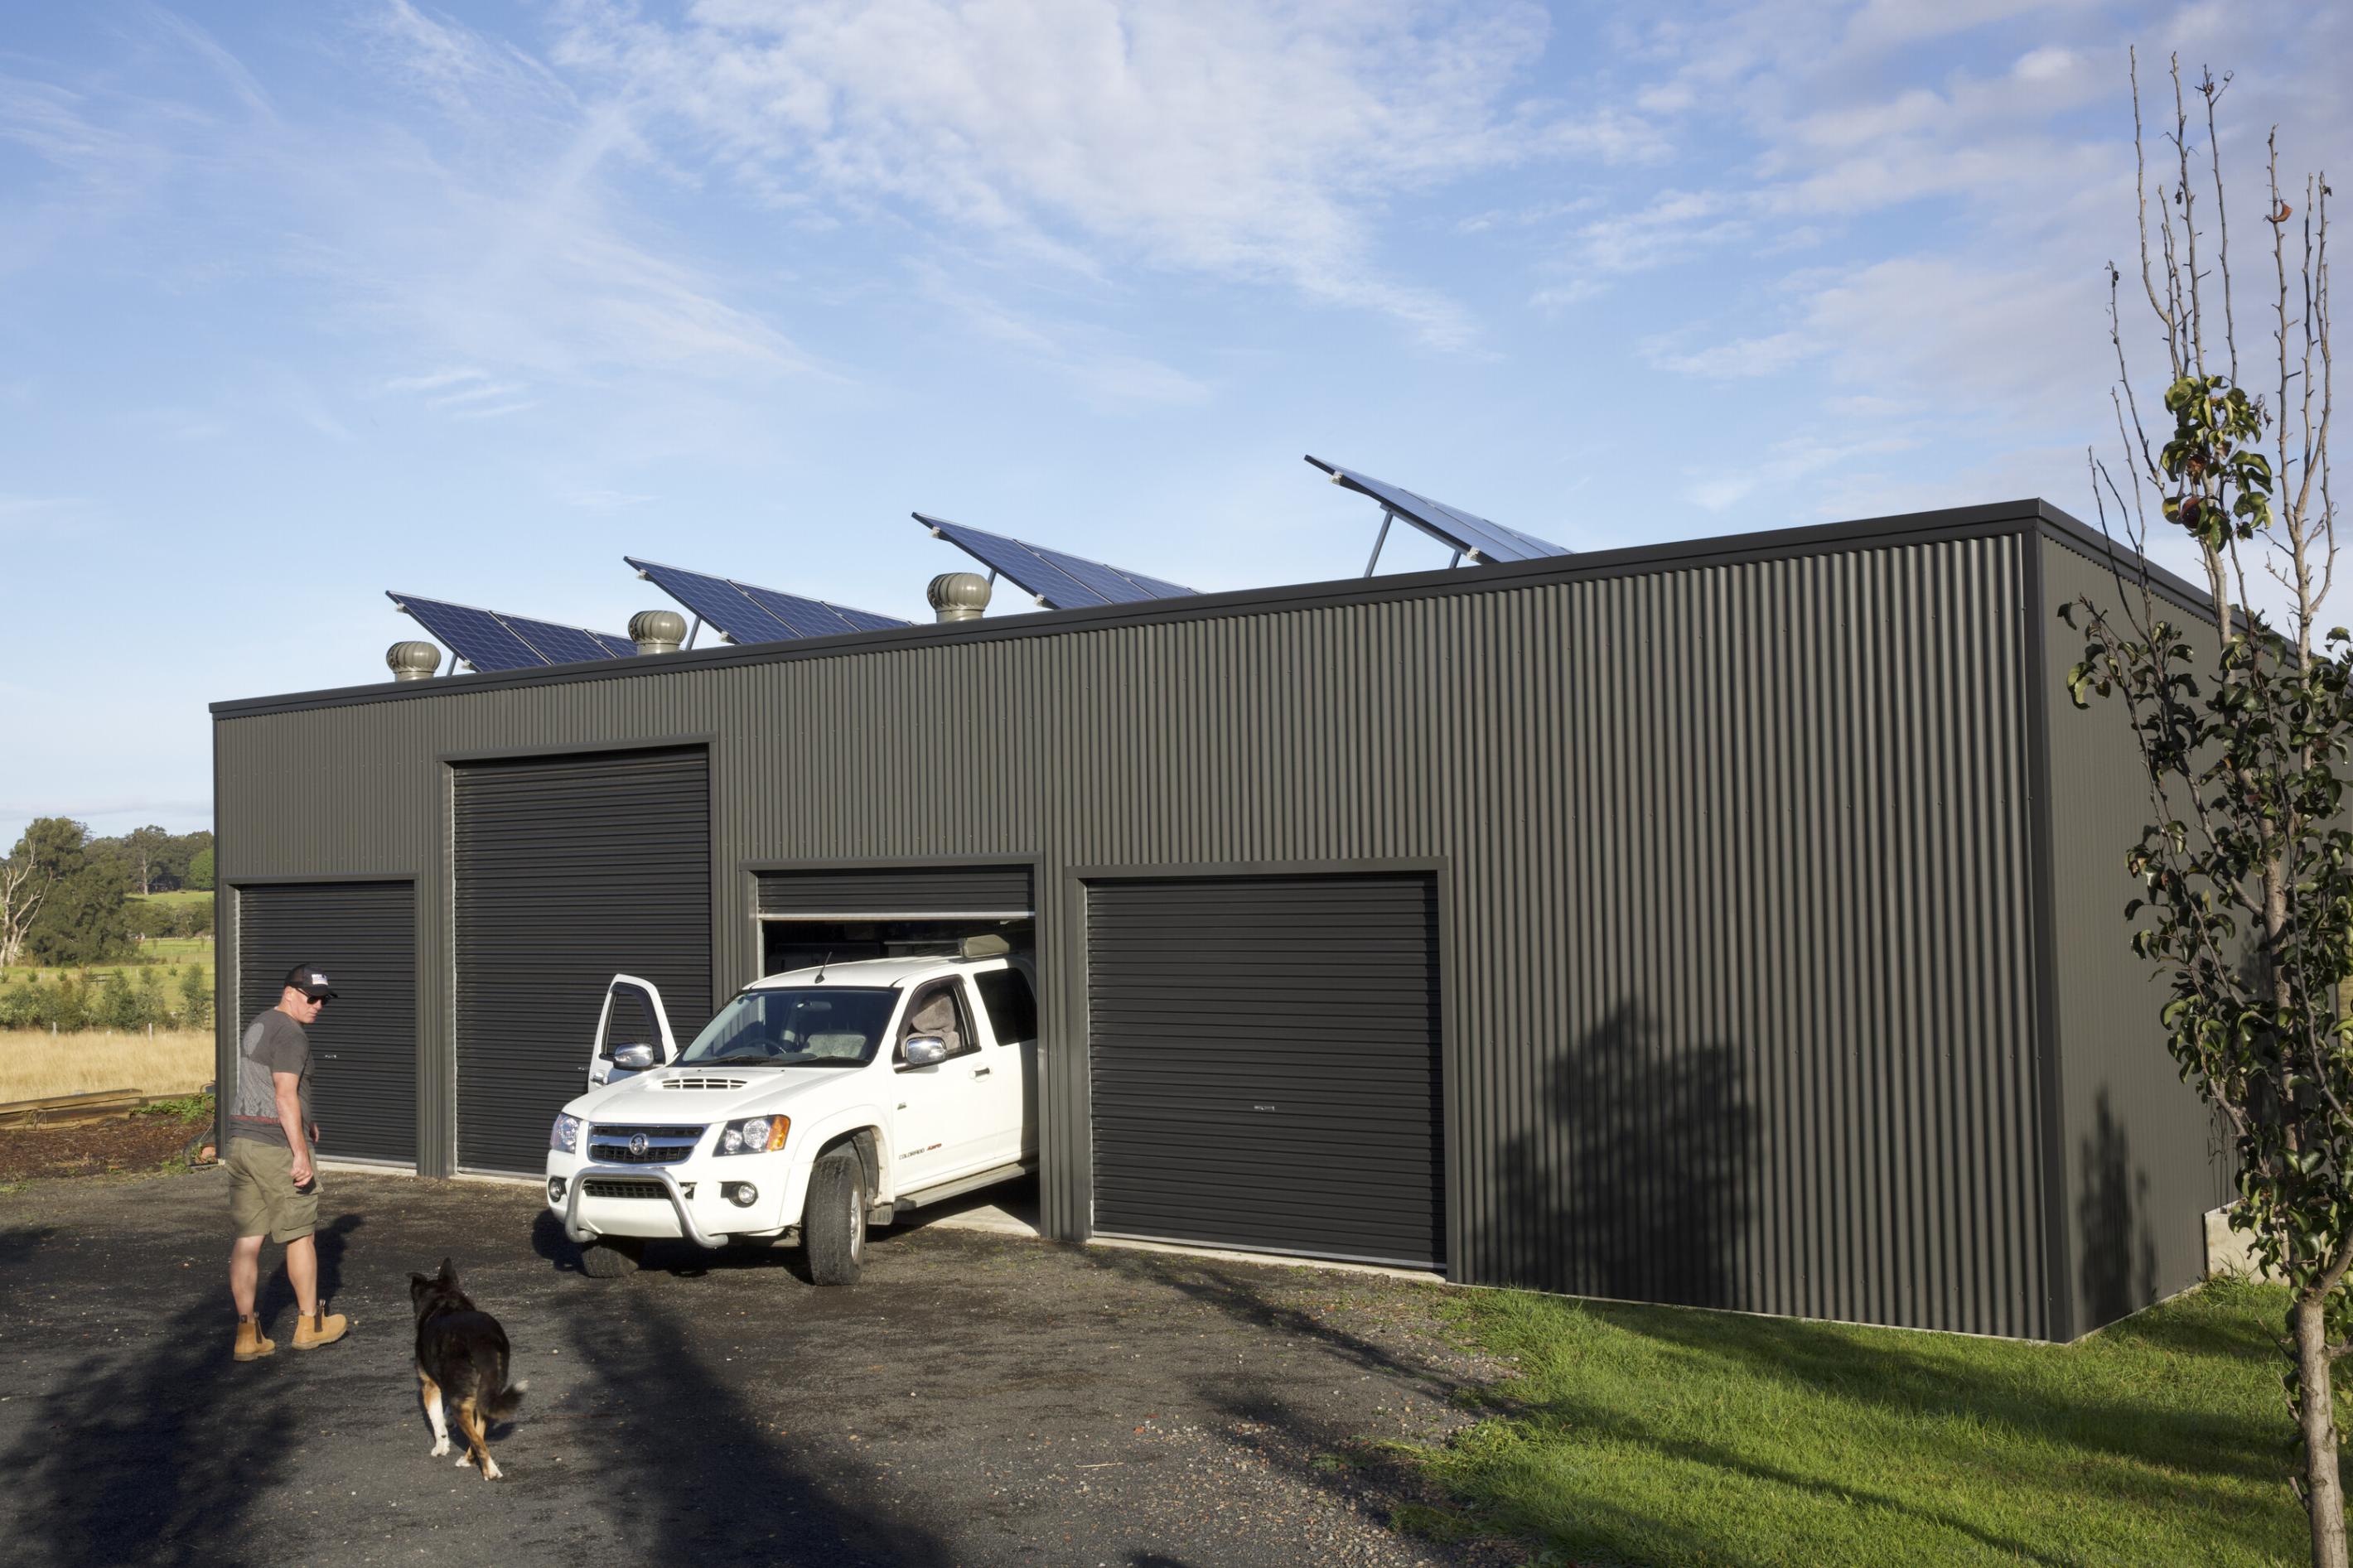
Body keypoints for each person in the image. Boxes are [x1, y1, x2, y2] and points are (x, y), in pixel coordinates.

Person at [226, 963, 350, 1361]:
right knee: (302, 1235)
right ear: (290, 993)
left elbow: (265, 1088)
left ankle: (248, 1334)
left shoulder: (260, 1023)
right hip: (276, 1149)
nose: (318, 1006)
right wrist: (299, 1152)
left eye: (324, 1000)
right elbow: (283, 1094)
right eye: (312, 998)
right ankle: (310, 1324)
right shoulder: (292, 1034)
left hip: (243, 1142)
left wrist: (306, 1124)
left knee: (248, 1239)